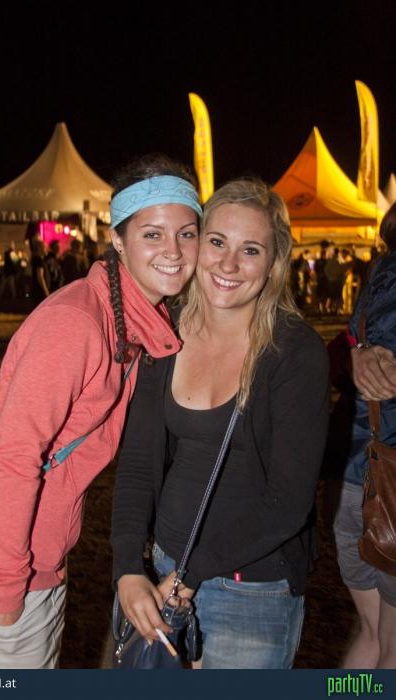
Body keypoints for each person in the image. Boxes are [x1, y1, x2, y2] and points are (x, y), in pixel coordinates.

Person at [0, 154, 201, 669]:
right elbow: (15, 458)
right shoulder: (76, 322)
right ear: (117, 239)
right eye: (152, 234)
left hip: (35, 568)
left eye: (186, 234)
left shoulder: (134, 324)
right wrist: (6, 595)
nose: (173, 250)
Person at [112, 178, 330, 669]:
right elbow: (138, 463)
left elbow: (288, 502)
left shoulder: (294, 353)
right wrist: (127, 568)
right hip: (160, 573)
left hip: (250, 594)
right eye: (216, 242)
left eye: (250, 250)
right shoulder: (165, 333)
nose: (228, 264)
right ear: (196, 245)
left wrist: (191, 573)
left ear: (274, 263)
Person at [331, 202, 396, 668]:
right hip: (388, 490)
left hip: (356, 482)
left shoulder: (378, 276)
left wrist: (355, 354)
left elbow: (339, 353)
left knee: (372, 635)